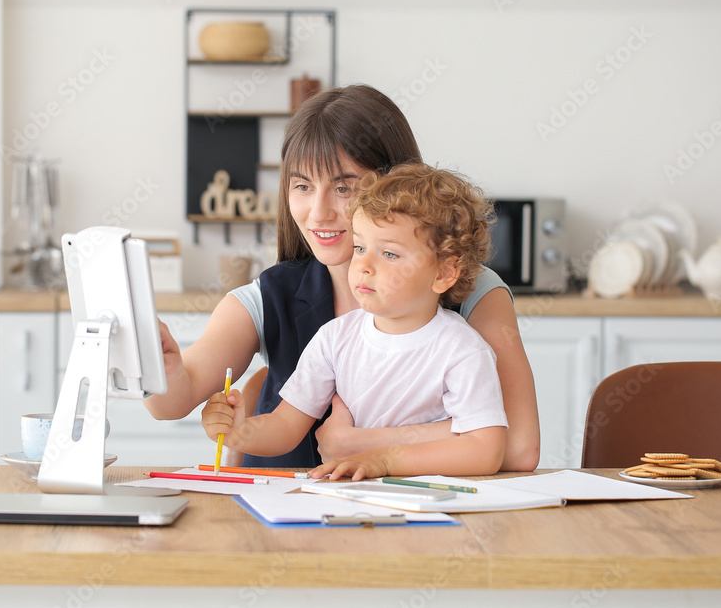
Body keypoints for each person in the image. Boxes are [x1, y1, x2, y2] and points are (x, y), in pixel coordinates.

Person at [145, 84, 540, 471]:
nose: (318, 213)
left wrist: (363, 445)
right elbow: (173, 400)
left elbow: (518, 449)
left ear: (394, 188)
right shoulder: (269, 297)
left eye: (343, 187)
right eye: (302, 185)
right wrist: (162, 368)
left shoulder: (472, 291)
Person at [201, 163, 507, 479]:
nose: (363, 265)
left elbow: (486, 449)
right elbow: (285, 426)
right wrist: (240, 431)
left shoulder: (463, 350)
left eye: (389, 254)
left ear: (444, 272)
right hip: (349, 500)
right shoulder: (334, 338)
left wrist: (385, 462)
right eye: (360, 247)